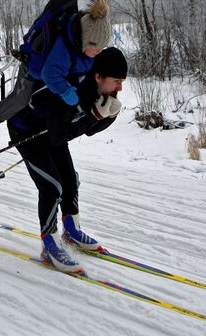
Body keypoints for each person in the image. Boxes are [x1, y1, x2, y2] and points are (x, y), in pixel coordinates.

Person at [7, 47, 127, 273]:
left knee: (71, 181)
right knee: (52, 186)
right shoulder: (70, 87)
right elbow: (60, 133)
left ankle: (71, 230)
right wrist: (95, 116)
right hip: (27, 132)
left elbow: (87, 130)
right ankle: (49, 243)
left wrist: (106, 118)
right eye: (117, 81)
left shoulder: (101, 90)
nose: (120, 87)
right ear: (98, 76)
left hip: (52, 135)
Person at [0, 0, 112, 142]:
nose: (99, 52)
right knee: (21, 99)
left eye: (102, 48)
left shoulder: (80, 44)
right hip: (32, 70)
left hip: (49, 71)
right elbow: (50, 75)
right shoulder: (64, 48)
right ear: (85, 40)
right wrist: (67, 92)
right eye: (96, 48)